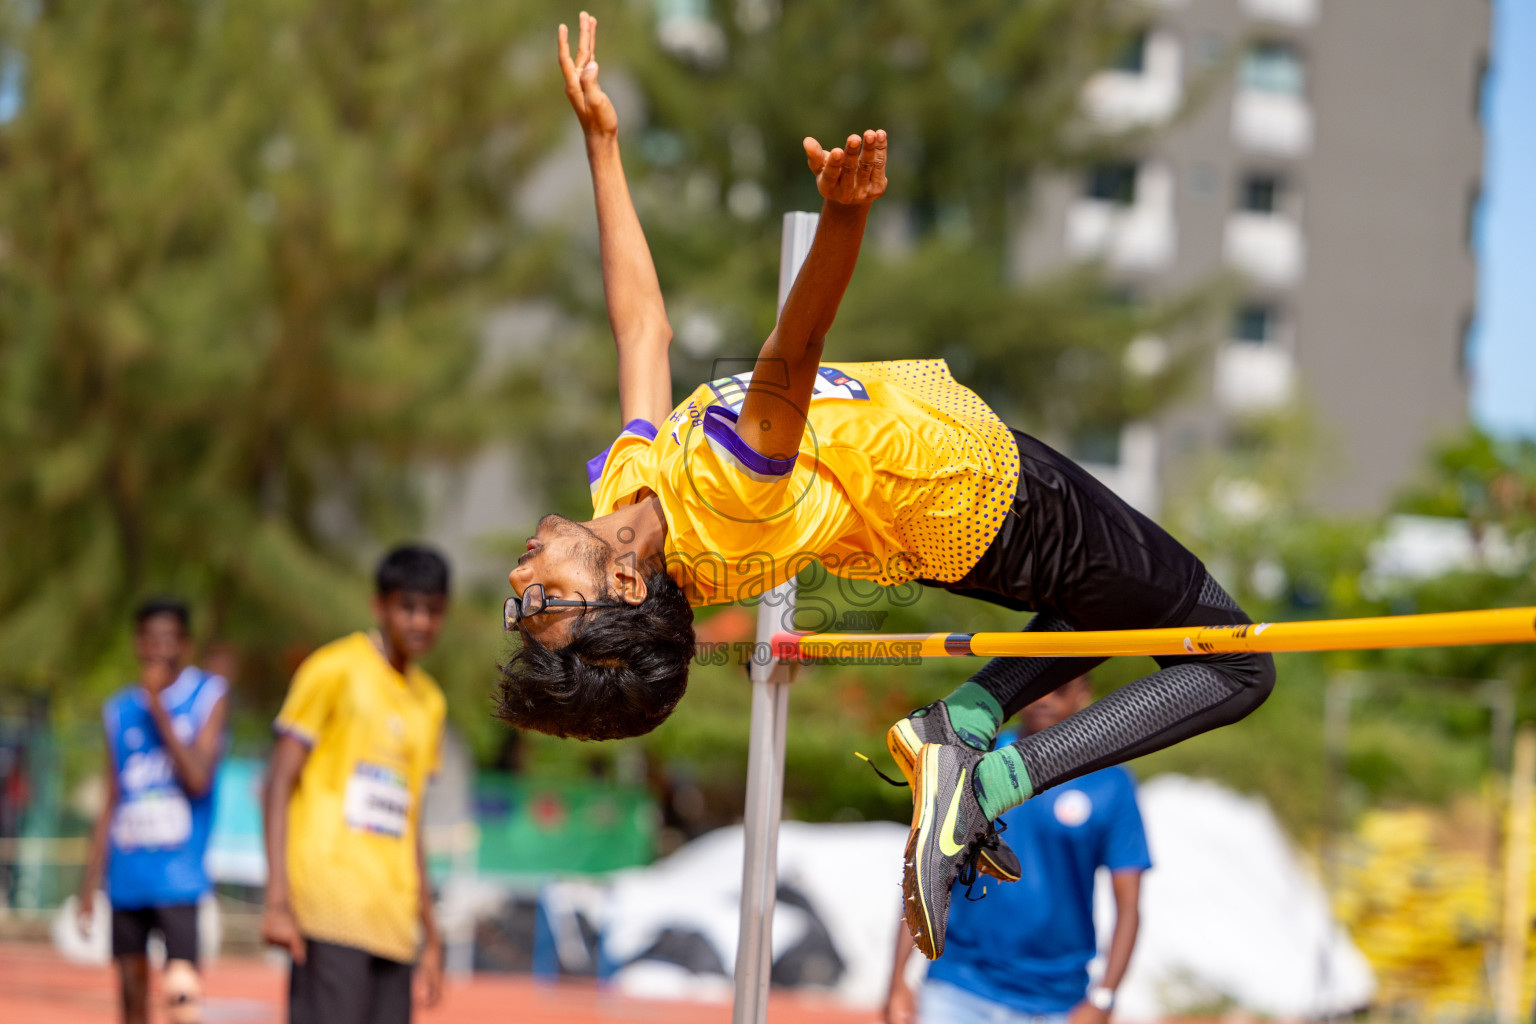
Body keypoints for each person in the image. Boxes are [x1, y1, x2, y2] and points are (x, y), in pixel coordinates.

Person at [499, 13, 1273, 959]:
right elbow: (793, 352)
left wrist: (603, 143)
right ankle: (990, 780)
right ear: (622, 585)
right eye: (542, 601)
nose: (518, 577)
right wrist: (844, 219)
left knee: (1108, 609)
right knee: (1237, 663)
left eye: (519, 603)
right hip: (991, 492)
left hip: (971, 505)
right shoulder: (724, 498)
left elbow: (641, 329)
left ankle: (961, 728)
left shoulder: (633, 485)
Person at [885, 675, 1148, 1024]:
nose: (1046, 698)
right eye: (1038, 687)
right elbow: (927, 868)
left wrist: (1104, 998)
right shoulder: (974, 762)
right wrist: (896, 980)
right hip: (960, 983)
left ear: (1083, 693)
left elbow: (1128, 905)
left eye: (1061, 687)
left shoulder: (1111, 784)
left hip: (1057, 998)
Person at [261, 545, 450, 1024]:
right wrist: (278, 900)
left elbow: (412, 823)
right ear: (379, 606)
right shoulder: (333, 670)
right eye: (409, 606)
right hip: (328, 907)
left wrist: (431, 931)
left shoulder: (430, 703)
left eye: (433, 610)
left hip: (394, 921)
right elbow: (278, 783)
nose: (421, 622)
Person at [78, 597, 230, 1024]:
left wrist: (159, 707)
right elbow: (112, 799)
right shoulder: (118, 709)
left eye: (168, 638)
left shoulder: (208, 696)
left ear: (186, 644)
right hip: (128, 876)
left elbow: (198, 778)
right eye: (149, 638)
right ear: (136, 643)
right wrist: (90, 884)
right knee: (130, 995)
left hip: (179, 877)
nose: (158, 649)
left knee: (182, 996)